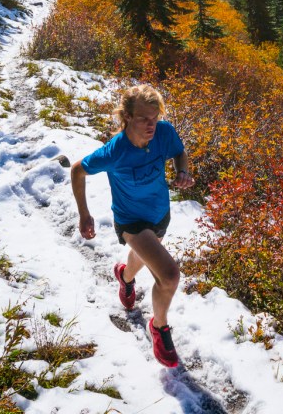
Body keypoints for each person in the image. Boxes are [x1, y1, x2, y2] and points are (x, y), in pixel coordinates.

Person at [71, 83, 194, 368]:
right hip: (131, 220)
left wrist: (182, 172)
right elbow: (78, 169)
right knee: (169, 276)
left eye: (155, 118)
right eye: (143, 119)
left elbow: (179, 152)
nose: (151, 125)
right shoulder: (115, 152)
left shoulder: (164, 132)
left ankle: (124, 277)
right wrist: (84, 214)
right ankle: (159, 327)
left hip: (160, 213)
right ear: (127, 117)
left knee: (141, 257)